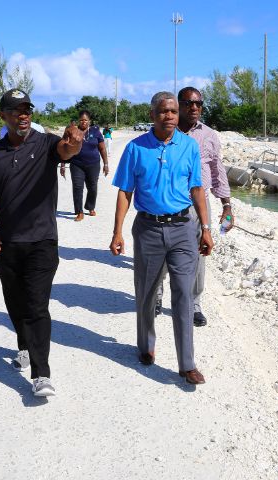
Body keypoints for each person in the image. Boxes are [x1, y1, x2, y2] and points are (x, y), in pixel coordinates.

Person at [0, 89, 83, 397]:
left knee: (37, 305)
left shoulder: (47, 142)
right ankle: (24, 344)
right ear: (4, 116)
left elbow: (65, 150)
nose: (23, 115)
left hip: (42, 241)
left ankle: (41, 374)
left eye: (27, 109)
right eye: (16, 110)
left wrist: (74, 144)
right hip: (7, 243)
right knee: (15, 301)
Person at [109, 91, 214, 385]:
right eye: (163, 111)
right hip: (148, 230)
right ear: (153, 115)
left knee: (183, 294)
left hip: (183, 229)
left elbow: (197, 190)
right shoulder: (135, 148)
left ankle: (187, 364)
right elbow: (124, 192)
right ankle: (146, 346)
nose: (169, 116)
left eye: (173, 111)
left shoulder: (189, 147)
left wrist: (205, 229)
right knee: (145, 292)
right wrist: (117, 231)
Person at [155, 86, 234, 327]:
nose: (195, 108)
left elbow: (216, 170)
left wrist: (227, 205)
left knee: (201, 253)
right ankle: (156, 296)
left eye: (199, 103)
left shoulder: (209, 135)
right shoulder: (166, 131)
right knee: (163, 251)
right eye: (189, 103)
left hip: (199, 205)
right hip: (168, 202)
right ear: (179, 105)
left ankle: (194, 302)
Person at [59, 110, 109, 221]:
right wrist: (62, 165)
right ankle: (79, 212)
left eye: (85, 120)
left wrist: (106, 164)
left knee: (92, 187)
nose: (83, 122)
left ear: (89, 121)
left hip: (93, 164)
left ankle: (90, 207)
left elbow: (102, 148)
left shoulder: (95, 131)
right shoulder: (72, 131)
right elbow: (64, 148)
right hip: (77, 164)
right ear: (78, 121)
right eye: (81, 120)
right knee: (77, 187)